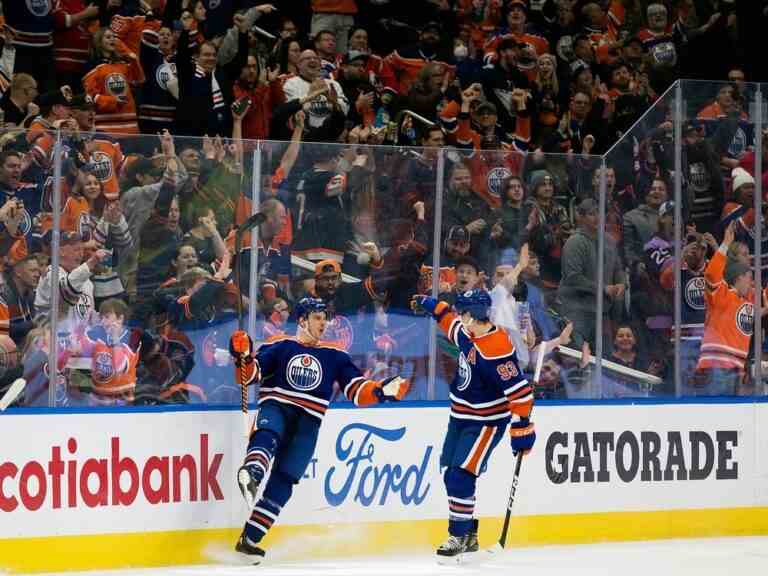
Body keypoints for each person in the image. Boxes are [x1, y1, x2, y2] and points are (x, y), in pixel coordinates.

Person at [227, 297, 410, 564]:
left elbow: (357, 391)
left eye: (325, 318)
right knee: (269, 434)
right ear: (302, 320)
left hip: (309, 423)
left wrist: (381, 392)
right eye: (317, 317)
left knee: (286, 479)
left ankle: (250, 539)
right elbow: (250, 375)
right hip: (277, 405)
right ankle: (252, 473)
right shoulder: (279, 345)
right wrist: (241, 355)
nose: (323, 323)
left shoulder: (335, 355)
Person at [410, 288, 534, 563]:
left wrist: (522, 428)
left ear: (473, 314)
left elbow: (520, 393)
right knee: (450, 475)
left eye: (462, 311)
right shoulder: (468, 333)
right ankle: (469, 534)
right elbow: (449, 322)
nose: (459, 315)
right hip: (460, 417)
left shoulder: (498, 348)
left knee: (460, 476)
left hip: (485, 422)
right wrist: (431, 304)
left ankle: (458, 535)